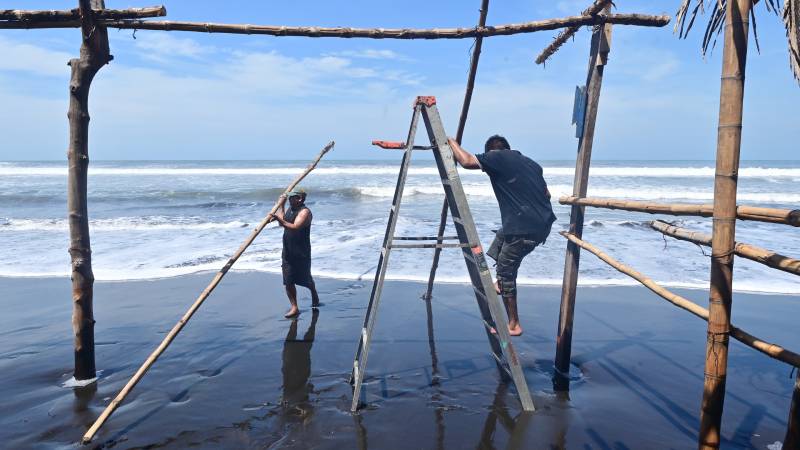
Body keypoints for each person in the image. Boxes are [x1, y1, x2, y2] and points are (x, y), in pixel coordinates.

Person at [448, 135, 556, 336]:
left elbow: (467, 161)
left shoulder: (496, 157)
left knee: (507, 271)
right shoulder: (531, 163)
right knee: (502, 235)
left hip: (524, 228)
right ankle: (499, 283)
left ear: (491, 152)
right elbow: (547, 194)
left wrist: (451, 142)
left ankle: (514, 324)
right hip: (541, 223)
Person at [274, 189, 320, 318]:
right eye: (289, 198)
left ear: (300, 198)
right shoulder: (290, 208)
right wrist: (281, 206)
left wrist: (278, 218)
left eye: (292, 198)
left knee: (305, 278)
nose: (290, 200)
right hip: (288, 249)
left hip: (301, 251)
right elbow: (282, 222)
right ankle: (294, 307)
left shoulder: (305, 212)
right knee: (288, 280)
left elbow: (295, 227)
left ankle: (313, 292)